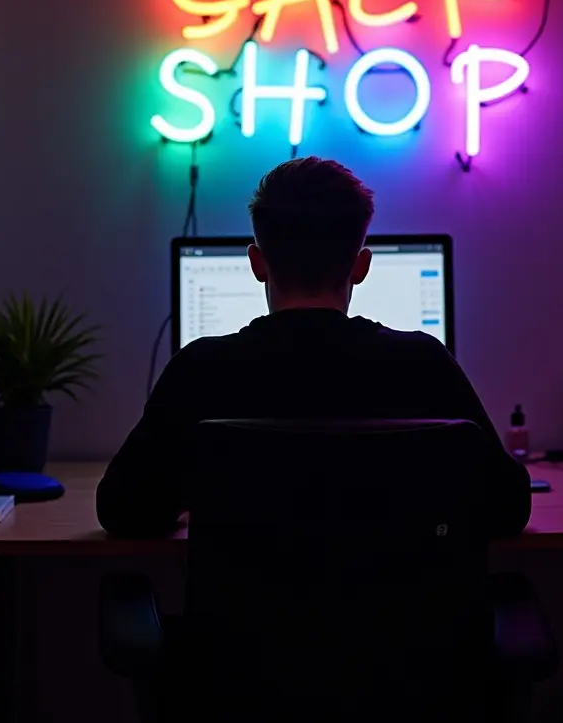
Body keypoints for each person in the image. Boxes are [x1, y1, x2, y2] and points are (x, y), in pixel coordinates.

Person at [97, 156, 531, 538]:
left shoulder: (200, 369)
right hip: (394, 629)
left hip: (245, 631)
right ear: (361, 266)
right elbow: (508, 508)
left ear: (256, 263)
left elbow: (122, 511)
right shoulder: (423, 363)